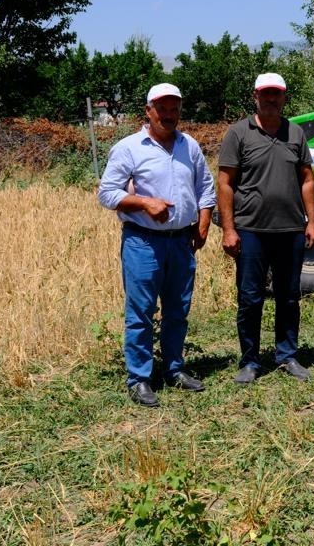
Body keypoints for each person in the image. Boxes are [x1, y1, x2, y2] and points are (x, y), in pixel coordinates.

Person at [98, 83, 215, 407]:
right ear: (148, 111)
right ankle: (139, 378)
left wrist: (203, 225)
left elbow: (206, 187)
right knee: (141, 313)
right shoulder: (129, 148)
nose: (168, 114)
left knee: (178, 310)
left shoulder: (189, 146)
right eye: (162, 108)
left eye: (174, 108)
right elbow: (107, 193)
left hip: (181, 242)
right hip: (143, 242)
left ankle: (174, 369)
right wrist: (144, 203)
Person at [217, 73, 314, 386]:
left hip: (290, 229)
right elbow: (225, 183)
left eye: (277, 94)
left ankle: (287, 355)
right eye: (266, 94)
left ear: (284, 98)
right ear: (256, 97)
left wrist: (312, 221)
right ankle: (250, 361)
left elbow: (306, 178)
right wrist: (229, 229)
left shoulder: (295, 132)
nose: (271, 99)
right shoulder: (239, 133)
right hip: (251, 230)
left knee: (289, 296)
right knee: (250, 298)